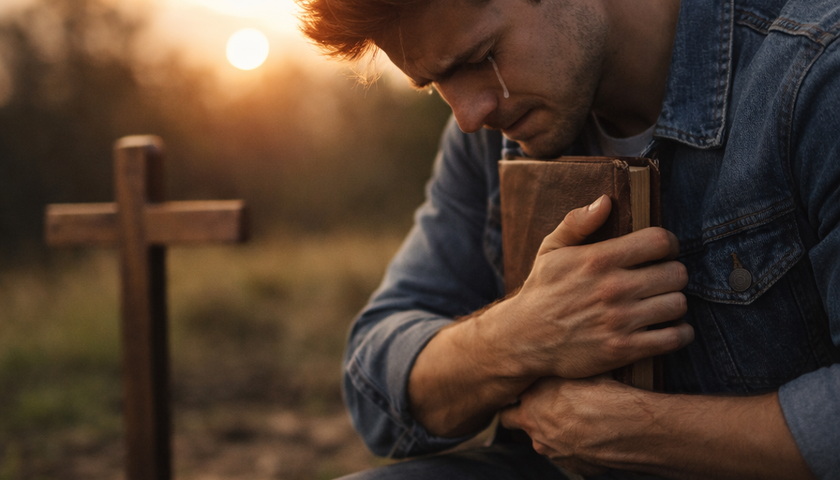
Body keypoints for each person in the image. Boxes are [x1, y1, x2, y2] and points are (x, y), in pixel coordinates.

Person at [298, 0, 840, 478]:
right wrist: (515, 337)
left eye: (477, 57)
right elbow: (374, 383)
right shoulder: (492, 133)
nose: (467, 115)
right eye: (435, 83)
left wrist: (639, 434)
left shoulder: (815, 73)